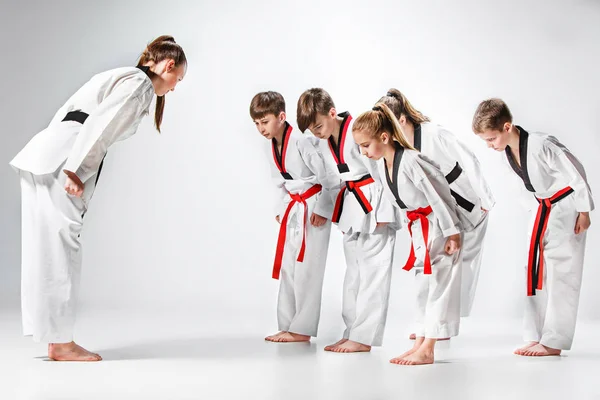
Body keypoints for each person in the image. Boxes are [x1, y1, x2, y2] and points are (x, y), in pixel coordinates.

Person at [9, 35, 187, 361]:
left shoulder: (115, 75)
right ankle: (60, 343)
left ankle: (51, 336)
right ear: (168, 65)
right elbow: (102, 126)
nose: (175, 87)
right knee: (62, 249)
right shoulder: (139, 83)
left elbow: (68, 115)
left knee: (43, 248)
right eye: (179, 79)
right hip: (64, 159)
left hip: (44, 154)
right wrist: (77, 170)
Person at [472, 98, 593, 357]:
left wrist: (584, 209)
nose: (489, 145)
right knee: (534, 269)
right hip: (541, 210)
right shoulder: (507, 153)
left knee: (562, 272)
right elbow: (525, 188)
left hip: (564, 208)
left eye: (491, 138)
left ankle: (554, 340)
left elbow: (576, 170)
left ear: (507, 127)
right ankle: (535, 334)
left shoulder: (541, 144)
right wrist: (532, 210)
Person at [352, 102, 463, 365]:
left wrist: (452, 232)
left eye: (366, 145)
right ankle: (419, 343)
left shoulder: (413, 160)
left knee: (437, 286)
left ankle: (429, 348)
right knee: (422, 287)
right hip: (419, 227)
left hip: (438, 224)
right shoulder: (382, 165)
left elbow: (439, 197)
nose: (363, 152)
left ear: (384, 136)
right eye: (360, 147)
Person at [379, 89, 494, 341]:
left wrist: (484, 198)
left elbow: (470, 159)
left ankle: (436, 327)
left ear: (402, 120)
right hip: (433, 214)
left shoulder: (434, 134)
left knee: (450, 269)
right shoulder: (400, 150)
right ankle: (430, 325)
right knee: (432, 268)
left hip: (464, 204)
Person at [296, 88, 398, 353]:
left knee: (374, 272)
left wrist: (386, 211)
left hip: (375, 204)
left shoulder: (359, 130)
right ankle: (352, 330)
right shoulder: (324, 142)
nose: (316, 132)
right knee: (353, 274)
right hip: (351, 208)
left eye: (319, 125)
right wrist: (326, 209)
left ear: (333, 112)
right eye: (311, 129)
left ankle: (364, 337)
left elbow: (384, 168)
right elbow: (331, 181)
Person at [249, 91, 339, 343]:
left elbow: (329, 178)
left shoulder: (302, 142)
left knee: (308, 269)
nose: (261, 128)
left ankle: (302, 329)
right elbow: (281, 182)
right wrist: (282, 207)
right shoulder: (270, 146)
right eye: (256, 123)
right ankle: (287, 324)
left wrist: (323, 208)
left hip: (312, 207)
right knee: (289, 267)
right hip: (294, 206)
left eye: (264, 121)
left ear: (281, 116)